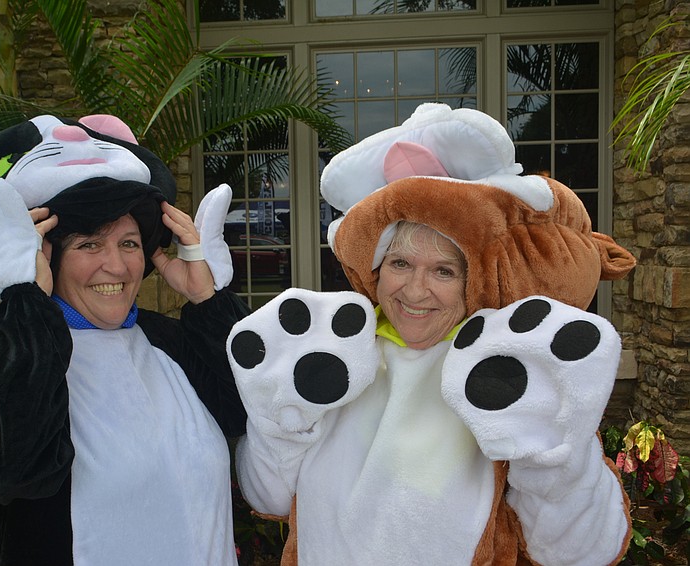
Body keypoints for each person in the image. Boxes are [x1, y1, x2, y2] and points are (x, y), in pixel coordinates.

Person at [226, 103, 636, 565]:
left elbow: (582, 552)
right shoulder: (332, 354)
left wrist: (554, 457)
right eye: (400, 263)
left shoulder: (507, 368)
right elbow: (270, 497)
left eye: (443, 270)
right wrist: (277, 417)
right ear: (377, 269)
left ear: (472, 279)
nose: (415, 290)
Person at [0, 114, 249, 565]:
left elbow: (244, 413)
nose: (117, 267)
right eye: (88, 245)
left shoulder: (164, 339)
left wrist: (207, 301)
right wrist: (25, 303)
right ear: (45, 254)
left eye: (128, 243)